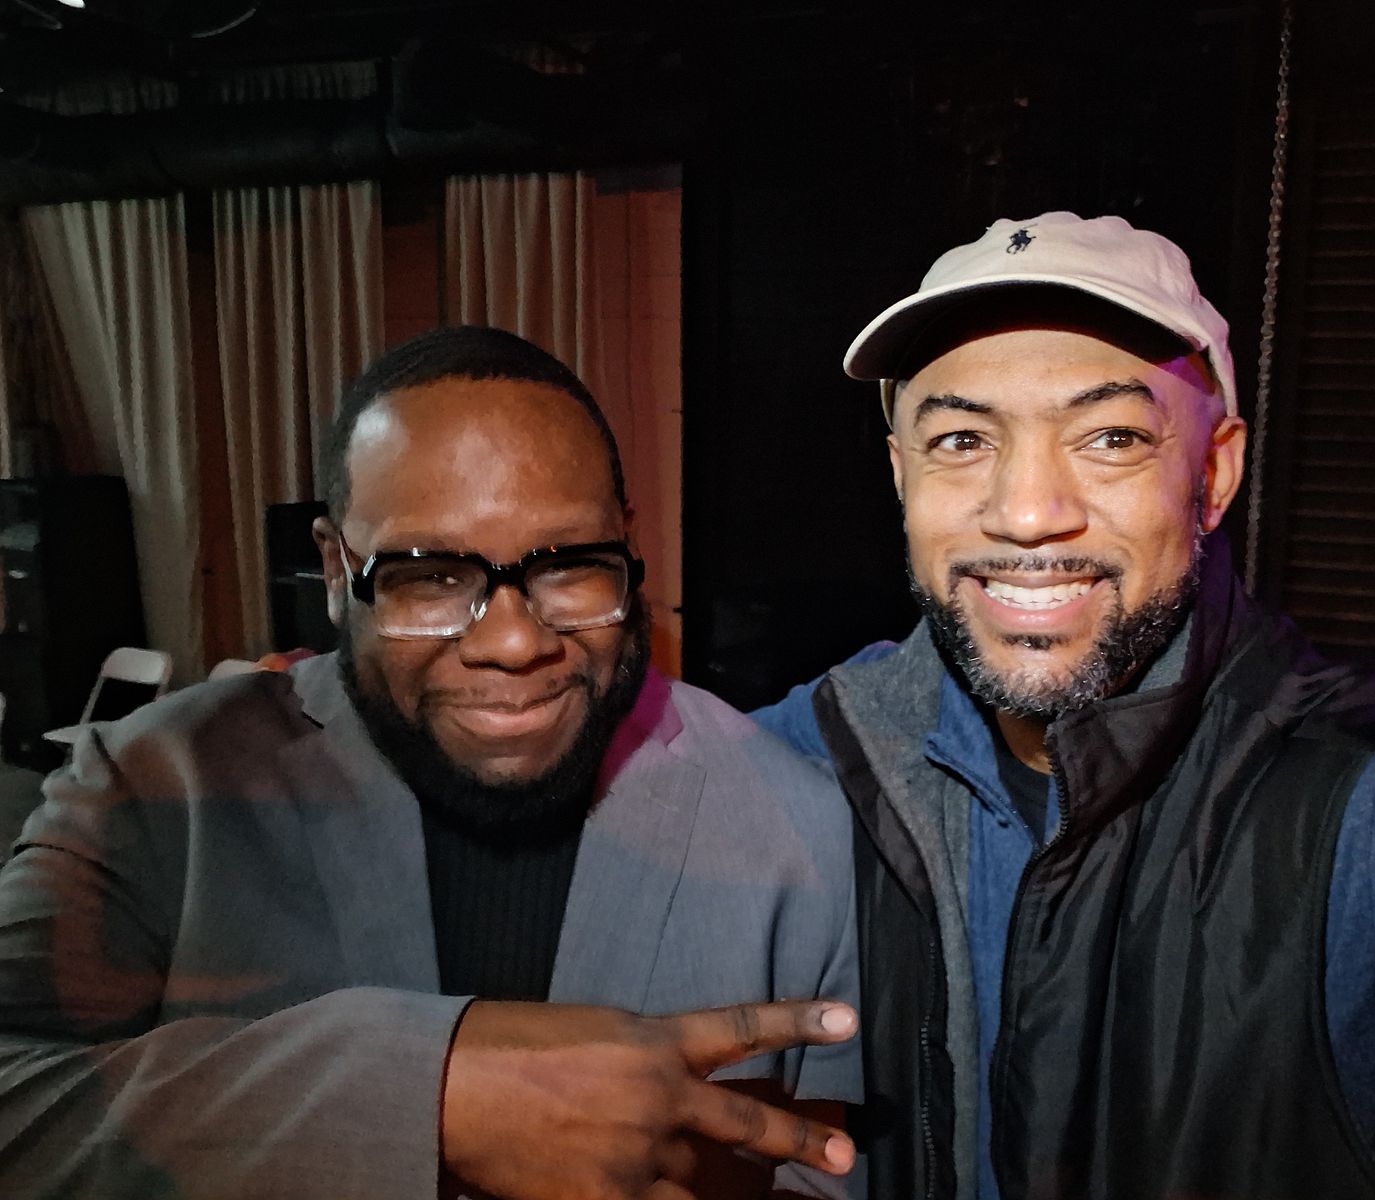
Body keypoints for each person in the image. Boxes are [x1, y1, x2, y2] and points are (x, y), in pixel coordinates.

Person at [755, 212, 1375, 1200]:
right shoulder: (806, 758)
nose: (1025, 512)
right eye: (962, 439)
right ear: (903, 475)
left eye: (1110, 437)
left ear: (1214, 473)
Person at [0, 326, 862, 1200]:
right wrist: (424, 1097)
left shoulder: (800, 829)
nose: (514, 642)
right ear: (334, 568)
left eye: (569, 565)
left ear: (628, 547)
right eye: (430, 577)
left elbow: (829, 1172)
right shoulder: (152, 786)